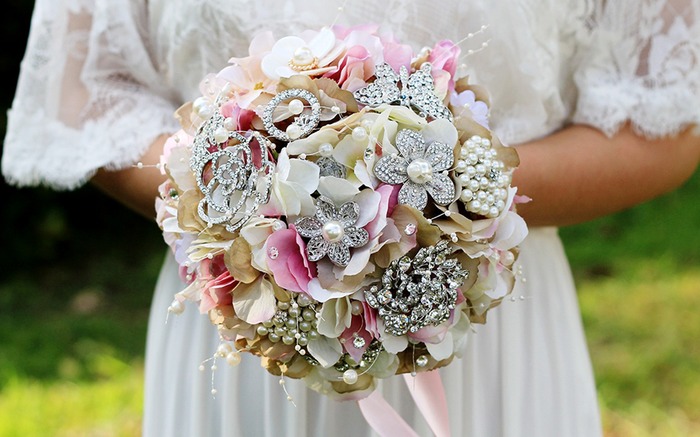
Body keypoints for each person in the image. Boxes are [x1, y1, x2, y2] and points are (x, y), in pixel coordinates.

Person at [3, 1, 699, 436]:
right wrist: (253, 197)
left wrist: (434, 195)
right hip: (248, 317)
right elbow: (81, 99)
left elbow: (665, 117)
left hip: (490, 327)